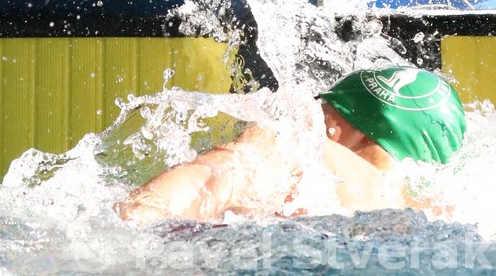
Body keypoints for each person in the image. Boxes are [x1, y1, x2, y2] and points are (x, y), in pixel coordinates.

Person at [117, 66, 467, 223]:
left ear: (359, 130)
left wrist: (138, 219)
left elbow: (220, 172)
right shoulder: (425, 211)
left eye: (326, 108)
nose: (316, 114)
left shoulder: (306, 148)